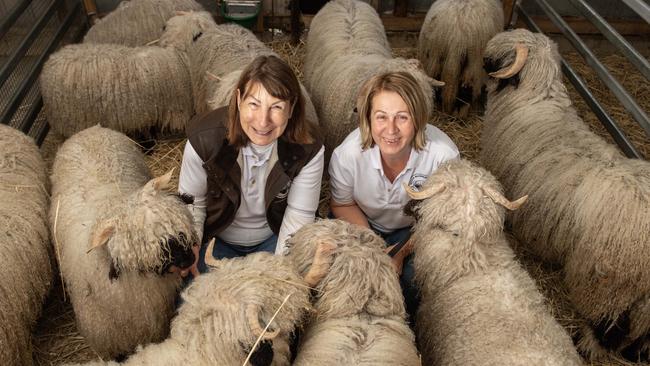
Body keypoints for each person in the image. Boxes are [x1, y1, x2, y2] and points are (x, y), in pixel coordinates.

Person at [328, 71, 460, 322]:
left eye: (402, 117)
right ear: (368, 118)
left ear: (418, 119)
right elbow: (342, 203)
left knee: (412, 282)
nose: (391, 129)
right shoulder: (347, 155)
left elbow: (440, 220)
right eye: (381, 117)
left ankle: (408, 334)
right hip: (359, 223)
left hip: (416, 230)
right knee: (347, 275)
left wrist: (399, 254)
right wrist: (374, 246)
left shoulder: (443, 157)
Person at [177, 55, 324, 276]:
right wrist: (193, 247)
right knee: (196, 300)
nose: (263, 121)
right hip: (217, 240)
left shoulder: (308, 147)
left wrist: (280, 271)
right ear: (238, 100)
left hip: (274, 239)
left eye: (276, 107)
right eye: (254, 104)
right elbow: (192, 202)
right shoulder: (203, 139)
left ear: (291, 108)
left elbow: (299, 214)